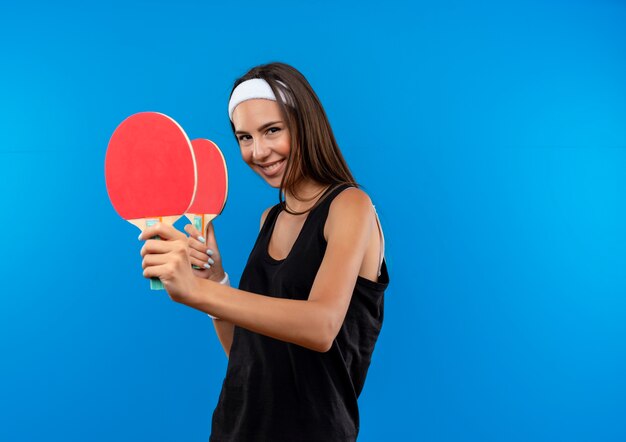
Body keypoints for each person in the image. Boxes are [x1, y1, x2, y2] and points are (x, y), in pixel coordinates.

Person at [139, 62, 390, 442]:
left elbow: (321, 326)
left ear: (303, 122)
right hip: (234, 429)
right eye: (244, 138)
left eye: (272, 130)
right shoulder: (269, 219)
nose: (258, 151)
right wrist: (216, 280)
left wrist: (196, 291)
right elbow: (246, 357)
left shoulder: (351, 206)